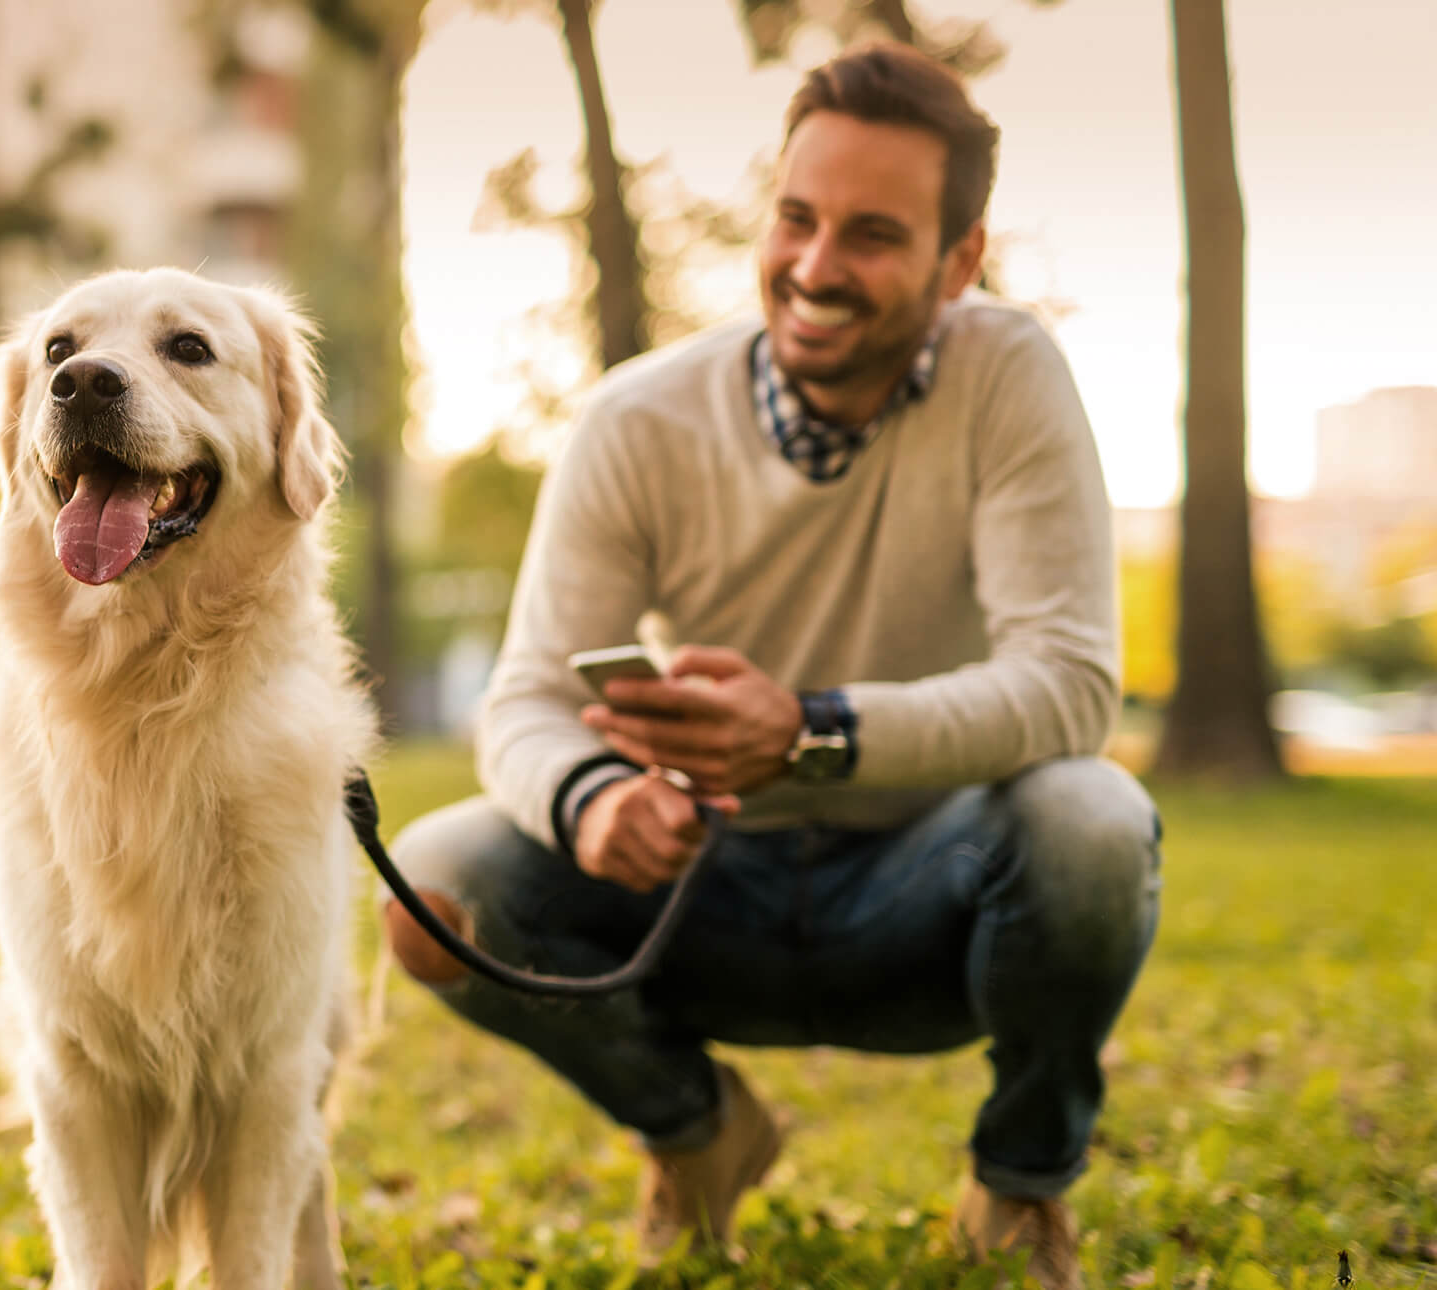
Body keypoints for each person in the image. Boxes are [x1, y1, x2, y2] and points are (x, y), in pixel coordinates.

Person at [380, 40, 1162, 1290]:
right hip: (702, 898)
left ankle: (1018, 1189)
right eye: (794, 219)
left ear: (959, 261)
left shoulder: (1006, 377)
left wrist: (810, 725)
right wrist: (594, 804)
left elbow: (1069, 684)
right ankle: (696, 1135)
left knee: (1092, 819)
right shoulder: (638, 422)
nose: (812, 267)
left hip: (932, 898)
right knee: (434, 884)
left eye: (870, 234)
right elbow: (524, 700)